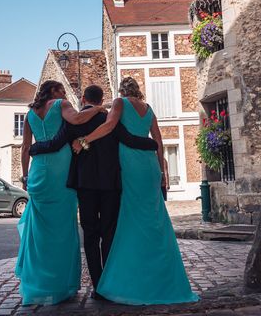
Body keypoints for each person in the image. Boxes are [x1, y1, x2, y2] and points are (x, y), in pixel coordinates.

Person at [74, 77, 199, 305]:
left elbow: (109, 126)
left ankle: (132, 276)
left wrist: (84, 140)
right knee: (154, 220)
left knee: (131, 220)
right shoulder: (149, 109)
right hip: (150, 166)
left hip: (130, 165)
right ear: (139, 91)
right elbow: (158, 141)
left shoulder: (120, 103)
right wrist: (162, 173)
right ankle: (160, 277)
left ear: (122, 90)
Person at [28, 84, 158, 297]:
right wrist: (154, 146)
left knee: (90, 234)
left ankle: (97, 285)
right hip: (110, 184)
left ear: (82, 99)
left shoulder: (73, 122)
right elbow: (130, 140)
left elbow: (55, 144)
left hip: (85, 185)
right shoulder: (111, 121)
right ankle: (109, 281)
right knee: (109, 233)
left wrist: (33, 149)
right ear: (101, 99)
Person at [15, 80, 104, 305]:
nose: (65, 93)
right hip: (61, 171)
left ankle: (39, 284)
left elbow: (25, 148)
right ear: (54, 91)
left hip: (38, 174)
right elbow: (78, 118)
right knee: (63, 228)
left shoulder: (30, 115)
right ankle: (62, 286)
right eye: (62, 90)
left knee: (41, 231)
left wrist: (25, 176)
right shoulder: (61, 104)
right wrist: (99, 108)